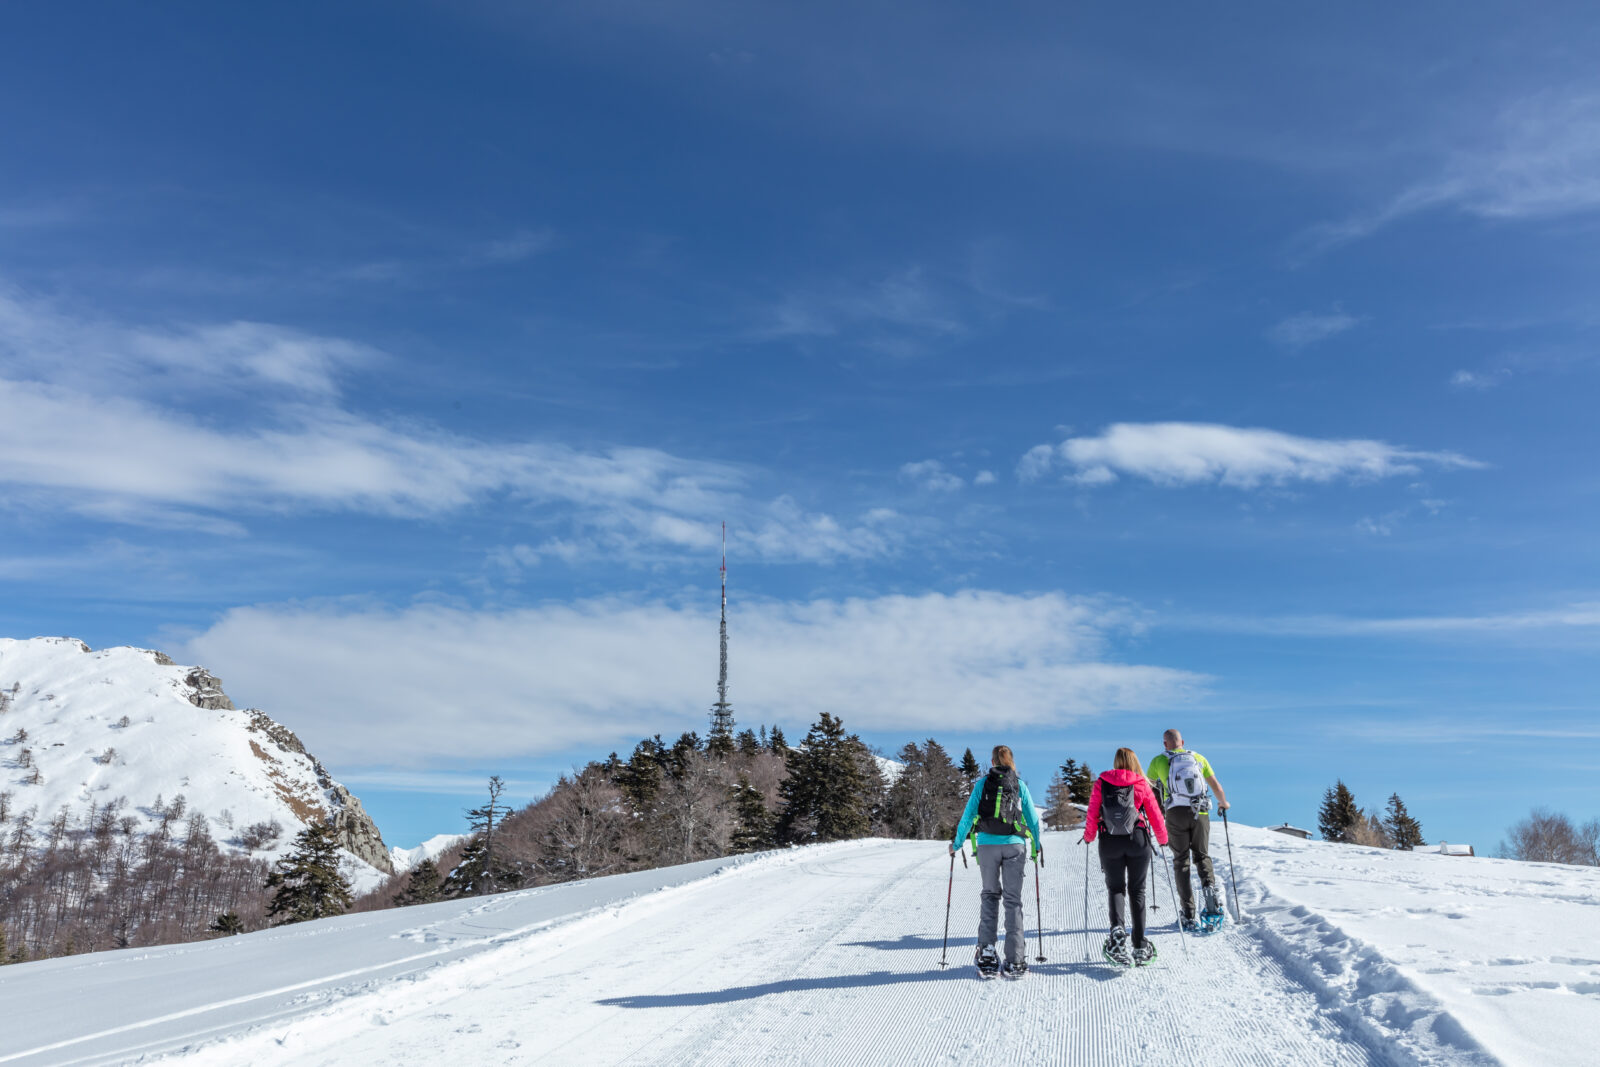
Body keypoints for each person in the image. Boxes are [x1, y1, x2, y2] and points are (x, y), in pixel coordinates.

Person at [950, 745, 1043, 978]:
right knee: (1013, 901)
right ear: (1011, 762)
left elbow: (969, 815)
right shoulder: (1019, 784)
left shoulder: (982, 784)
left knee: (990, 895)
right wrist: (1036, 843)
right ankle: (1015, 959)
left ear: (992, 762)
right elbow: (1032, 817)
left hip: (987, 845)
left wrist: (957, 843)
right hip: (1014, 845)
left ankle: (988, 953)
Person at [1083, 747, 1168, 966]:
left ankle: (1117, 936)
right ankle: (1139, 944)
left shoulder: (1102, 782)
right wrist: (1163, 838)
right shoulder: (1140, 782)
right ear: (1134, 762)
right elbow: (1155, 815)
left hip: (1109, 840)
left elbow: (1093, 812)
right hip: (1138, 839)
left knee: (1116, 888)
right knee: (1137, 890)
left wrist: (1089, 836)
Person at [1146, 728, 1230, 929]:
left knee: (1181, 860)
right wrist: (1223, 803)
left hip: (1175, 813)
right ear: (1182, 741)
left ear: (1165, 744)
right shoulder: (1198, 758)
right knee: (1202, 855)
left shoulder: (1158, 761)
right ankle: (1209, 891)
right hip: (1199, 812)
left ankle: (1188, 912)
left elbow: (1148, 787)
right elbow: (1216, 786)